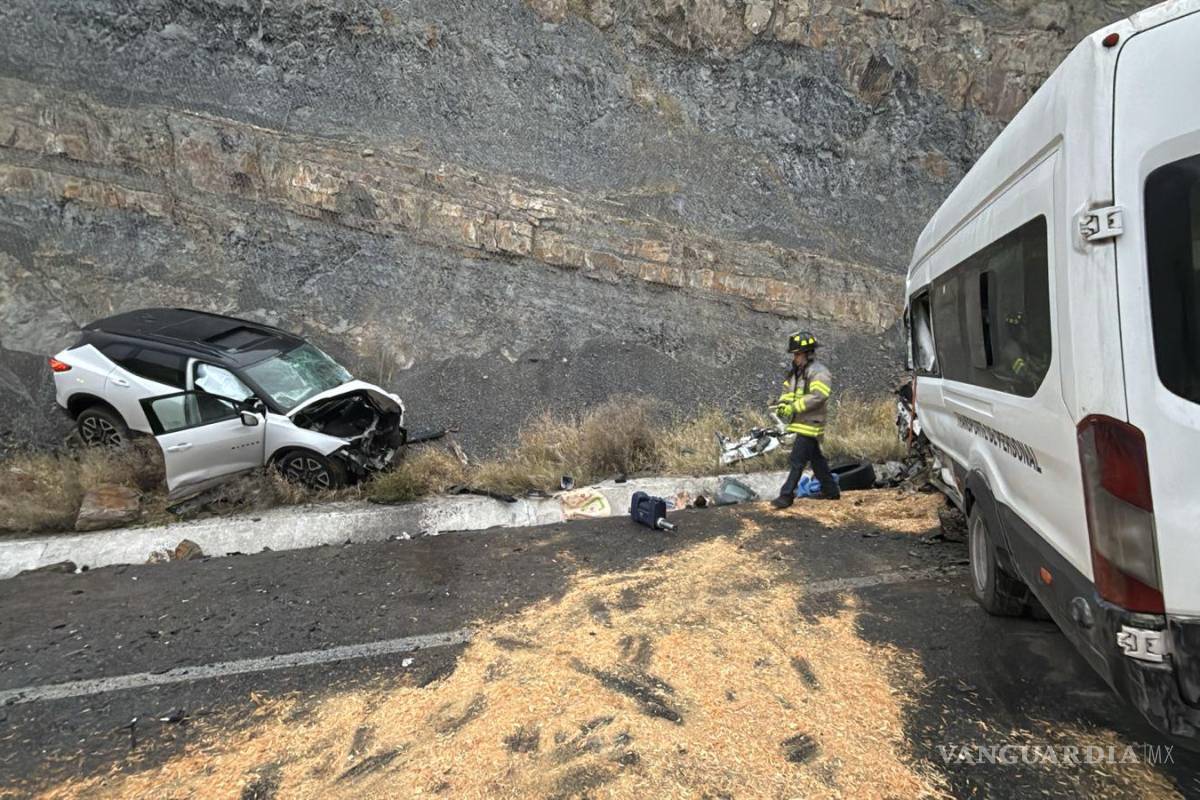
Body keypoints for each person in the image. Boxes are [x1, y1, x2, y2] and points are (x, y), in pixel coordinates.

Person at [771, 331, 840, 508]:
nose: (795, 358)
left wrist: (793, 407)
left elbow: (819, 395)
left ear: (808, 353)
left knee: (797, 460)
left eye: (798, 354)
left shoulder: (819, 372)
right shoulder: (796, 373)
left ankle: (786, 496)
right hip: (800, 422)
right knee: (816, 459)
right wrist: (783, 405)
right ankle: (831, 491)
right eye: (794, 354)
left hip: (811, 423)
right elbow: (787, 392)